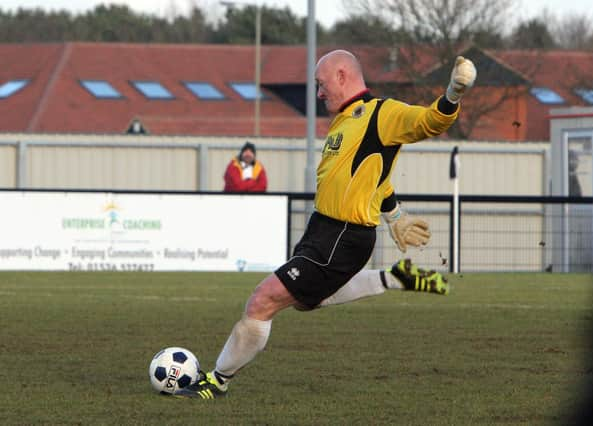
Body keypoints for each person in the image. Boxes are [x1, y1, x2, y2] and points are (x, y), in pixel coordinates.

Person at [175, 50, 477, 399]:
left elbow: (430, 122)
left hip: (343, 236)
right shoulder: (344, 120)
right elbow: (371, 175)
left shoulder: (382, 112)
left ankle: (215, 382)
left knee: (263, 300)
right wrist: (394, 213)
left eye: (321, 85)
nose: (319, 94)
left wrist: (453, 93)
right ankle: (394, 277)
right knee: (305, 301)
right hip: (322, 230)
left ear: (342, 76)